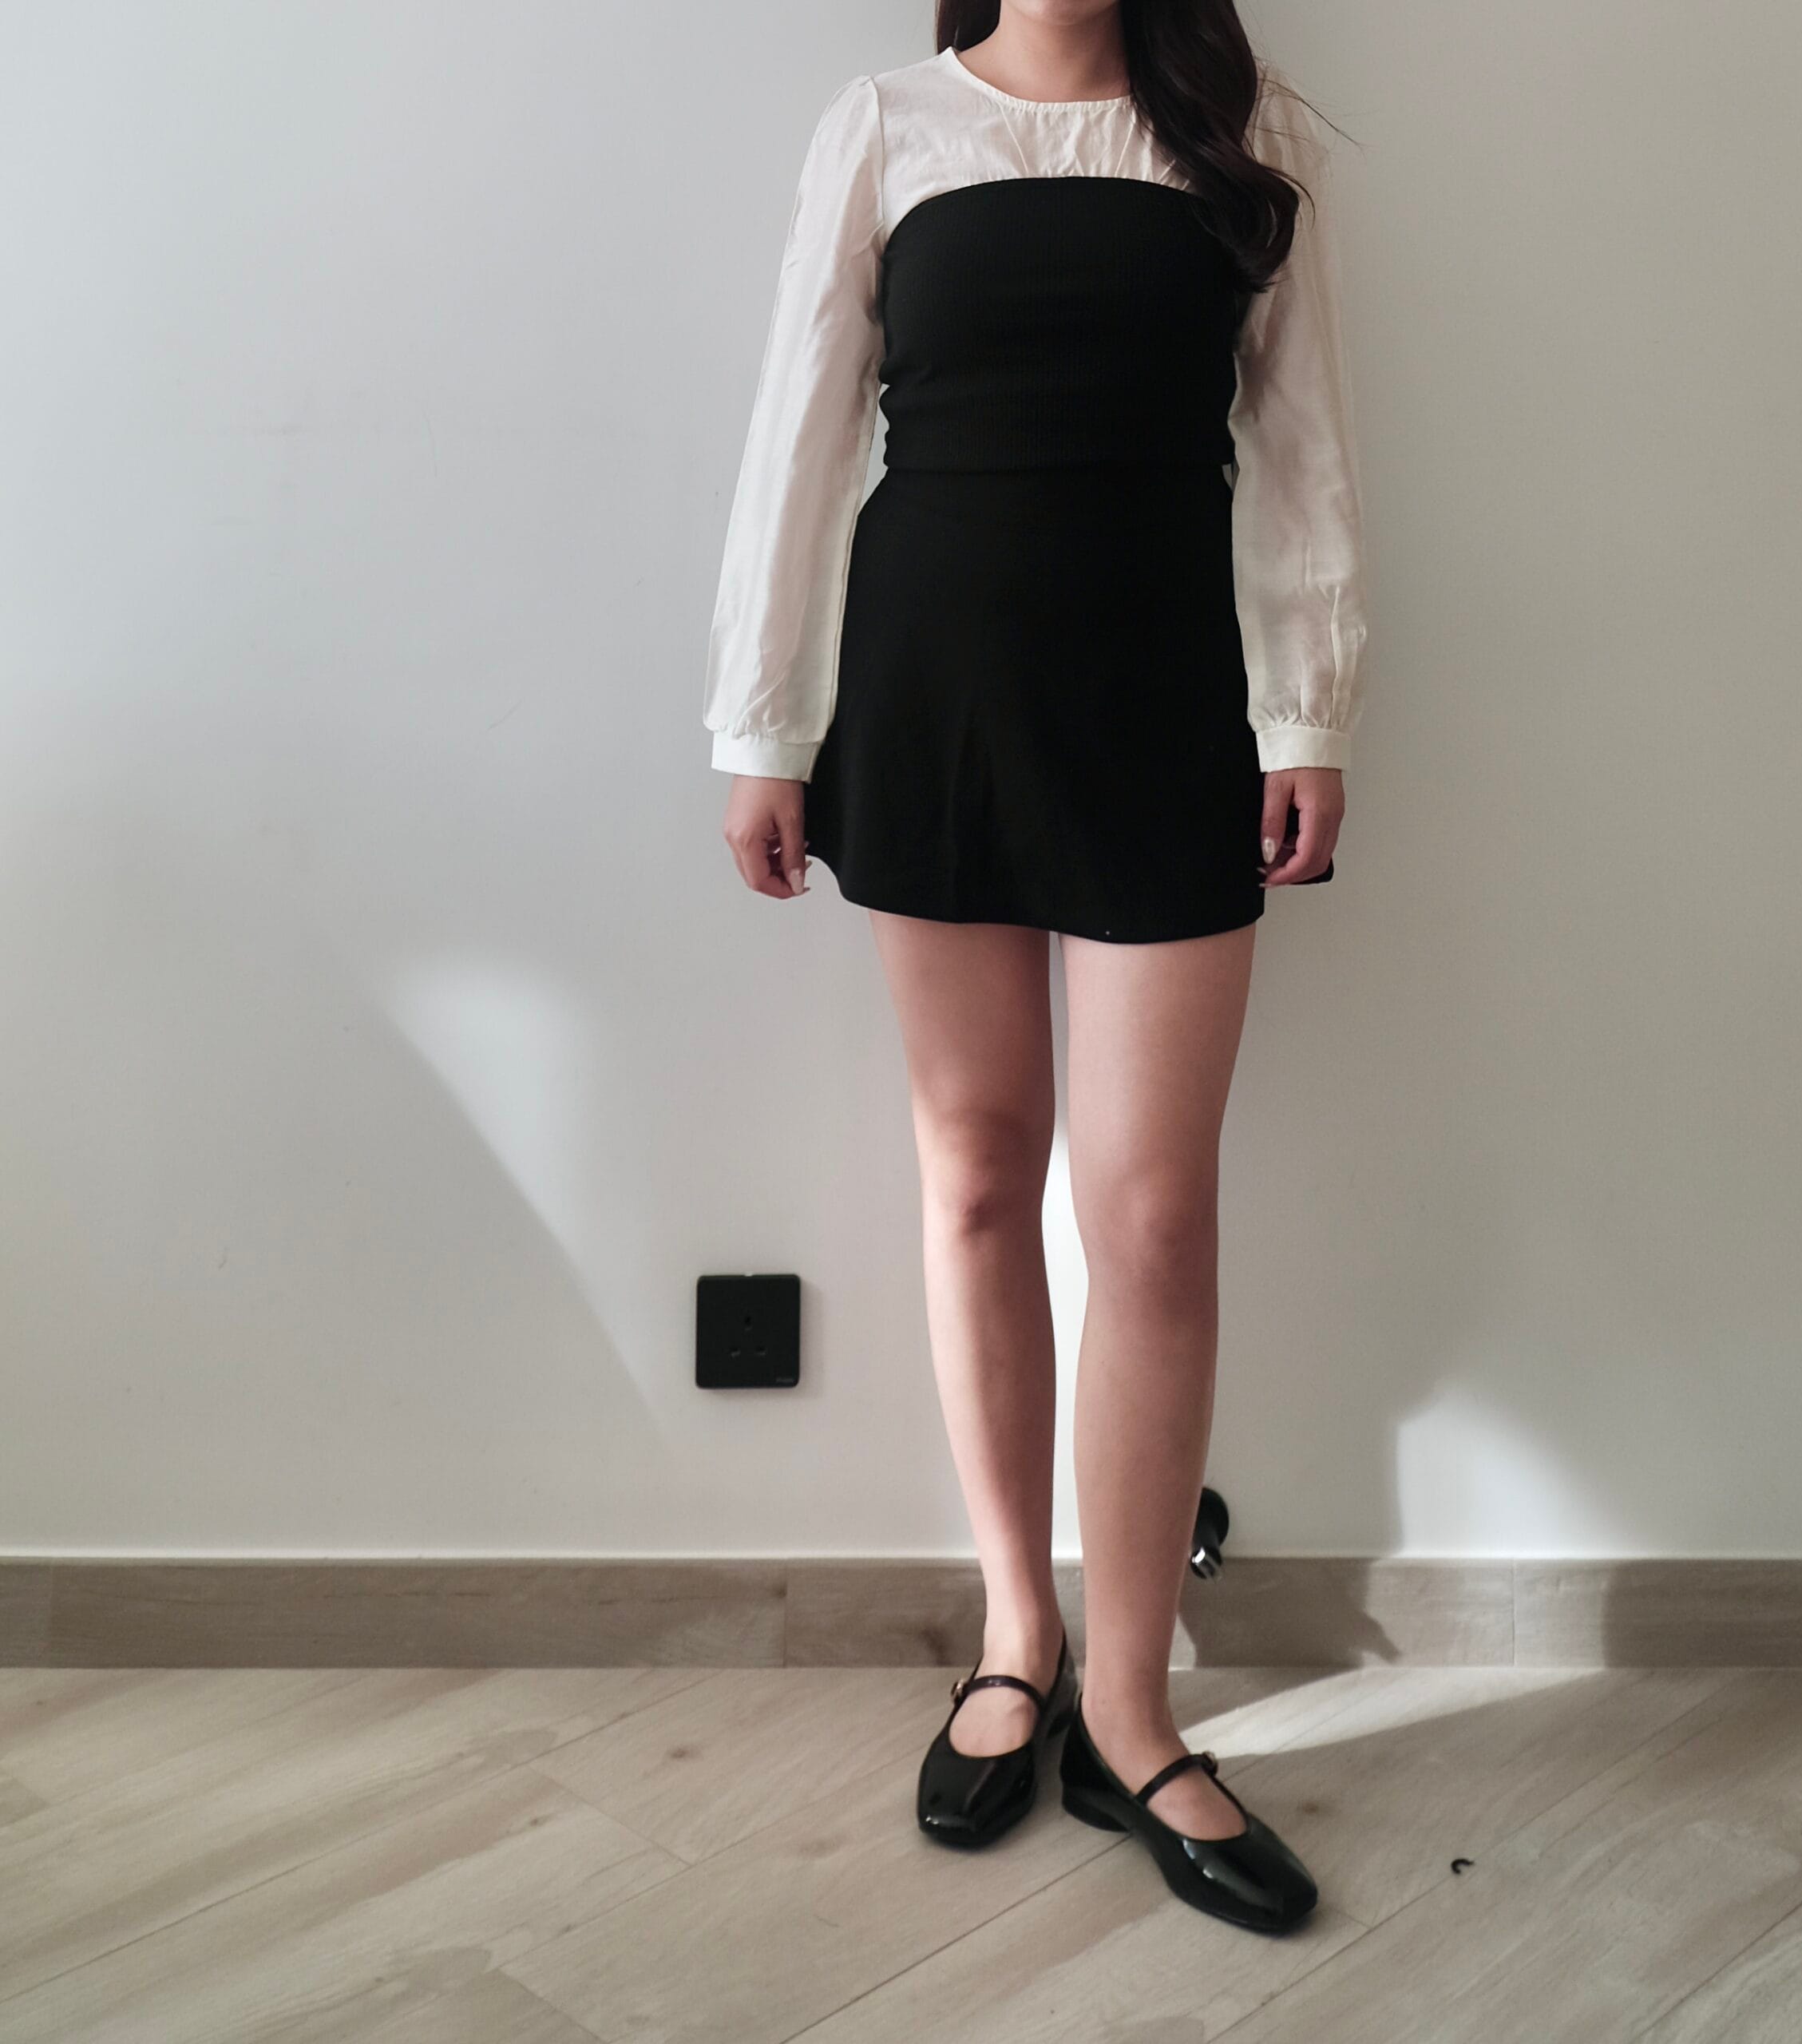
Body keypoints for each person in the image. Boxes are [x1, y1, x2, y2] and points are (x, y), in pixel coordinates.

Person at [703, 0, 1365, 1935]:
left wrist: (1308, 711)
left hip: (1164, 697)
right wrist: (761, 727)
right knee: (980, 1170)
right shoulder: (885, 125)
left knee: (1148, 1212)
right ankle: (1017, 1632)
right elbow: (797, 428)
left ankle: (1133, 1709)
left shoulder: (1243, 131)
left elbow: (1301, 443)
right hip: (930, 692)